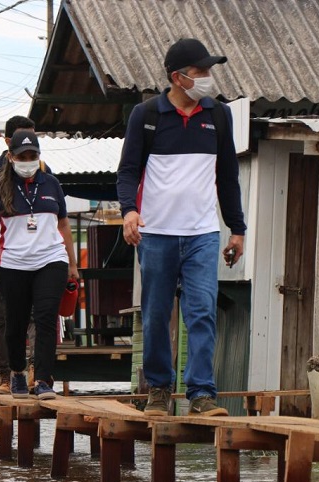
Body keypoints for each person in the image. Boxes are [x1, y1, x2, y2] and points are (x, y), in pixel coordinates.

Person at [117, 38, 246, 418]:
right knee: (157, 313)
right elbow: (128, 171)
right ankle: (158, 391)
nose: (208, 78)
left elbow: (228, 175)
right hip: (155, 233)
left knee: (202, 311)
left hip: (203, 233)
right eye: (200, 72)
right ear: (178, 77)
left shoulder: (219, 115)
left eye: (209, 71)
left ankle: (201, 395)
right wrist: (128, 211)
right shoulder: (147, 114)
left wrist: (236, 229)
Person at [0, 130, 79, 400]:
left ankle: (43, 379)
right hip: (13, 263)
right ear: (11, 157)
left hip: (50, 259)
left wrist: (72, 263)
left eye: (33, 155)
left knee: (46, 319)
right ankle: (18, 373)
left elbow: (64, 224)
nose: (28, 160)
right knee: (16, 322)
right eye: (22, 156)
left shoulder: (52, 184)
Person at [0, 116, 51, 393]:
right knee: (4, 316)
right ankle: (5, 374)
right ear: (8, 141)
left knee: (36, 315)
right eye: (20, 139)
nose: (27, 149)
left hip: (35, 254)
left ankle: (33, 370)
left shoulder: (43, 169)